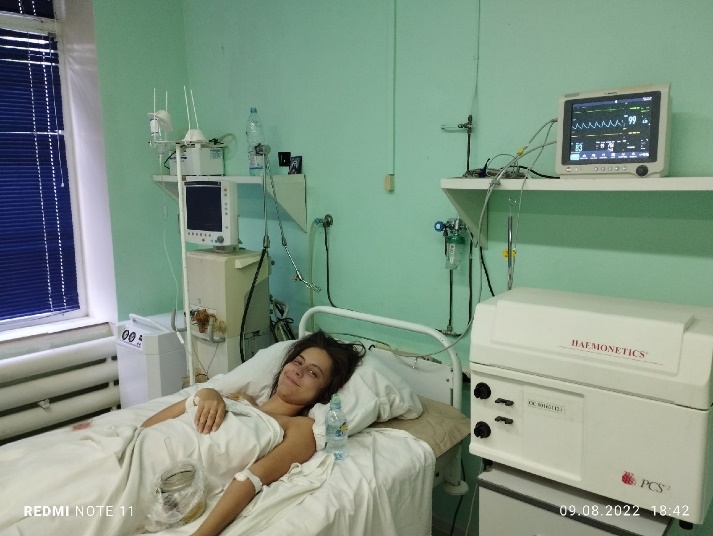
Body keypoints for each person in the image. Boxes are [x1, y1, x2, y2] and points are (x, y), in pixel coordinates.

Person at [141, 331, 365, 536]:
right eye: (298, 361)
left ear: (323, 393)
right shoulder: (240, 399)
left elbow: (249, 481)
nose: (299, 370)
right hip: (138, 447)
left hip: (158, 478)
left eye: (313, 373)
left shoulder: (300, 428)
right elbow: (145, 428)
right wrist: (202, 395)